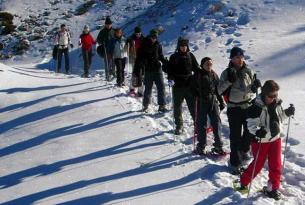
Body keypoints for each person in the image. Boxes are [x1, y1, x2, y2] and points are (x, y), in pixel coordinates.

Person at [236, 80, 295, 200]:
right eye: (271, 96)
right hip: (261, 140)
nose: (273, 98)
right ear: (264, 93)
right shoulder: (256, 107)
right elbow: (251, 124)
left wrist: (287, 113)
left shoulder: (277, 103)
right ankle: (243, 181)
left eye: (275, 95)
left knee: (276, 164)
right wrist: (257, 131)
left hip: (275, 139)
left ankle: (273, 188)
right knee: (258, 164)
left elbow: (279, 119)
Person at [217, 47, 262, 174]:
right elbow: (219, 90)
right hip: (234, 108)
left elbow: (251, 88)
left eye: (241, 57)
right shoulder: (226, 73)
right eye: (237, 57)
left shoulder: (248, 71)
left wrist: (255, 86)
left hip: (247, 106)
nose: (240, 59)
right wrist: (229, 82)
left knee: (250, 132)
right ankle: (235, 162)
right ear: (232, 58)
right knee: (235, 136)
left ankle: (243, 150)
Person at [194, 57, 226, 155]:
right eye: (207, 64)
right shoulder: (198, 75)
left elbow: (218, 90)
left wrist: (221, 101)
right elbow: (191, 88)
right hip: (201, 101)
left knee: (216, 123)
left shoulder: (214, 74)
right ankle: (201, 146)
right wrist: (196, 95)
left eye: (210, 64)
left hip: (213, 101)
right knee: (202, 124)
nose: (209, 66)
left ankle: (218, 146)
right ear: (202, 65)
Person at [167, 38, 199, 135]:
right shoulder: (174, 57)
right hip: (177, 86)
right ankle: (179, 125)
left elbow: (196, 68)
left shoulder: (190, 56)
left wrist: (199, 77)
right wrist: (170, 78)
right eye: (181, 46)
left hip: (189, 85)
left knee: (193, 107)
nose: (183, 48)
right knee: (177, 107)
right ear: (178, 47)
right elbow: (170, 70)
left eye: (185, 46)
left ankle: (197, 125)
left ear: (187, 47)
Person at [134, 29, 168, 112]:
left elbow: (160, 56)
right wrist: (138, 69)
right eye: (152, 37)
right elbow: (139, 58)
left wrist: (166, 62)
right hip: (148, 69)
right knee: (148, 88)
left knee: (161, 87)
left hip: (157, 69)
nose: (154, 38)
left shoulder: (158, 45)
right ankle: (145, 106)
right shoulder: (144, 44)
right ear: (149, 36)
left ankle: (162, 105)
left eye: (155, 37)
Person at [127, 26, 145, 97]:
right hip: (134, 58)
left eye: (139, 33)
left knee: (142, 75)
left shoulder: (143, 39)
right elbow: (127, 46)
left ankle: (140, 91)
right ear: (135, 33)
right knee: (134, 74)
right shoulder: (131, 39)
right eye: (137, 33)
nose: (138, 35)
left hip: (142, 59)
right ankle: (132, 89)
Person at [96, 16, 115, 81]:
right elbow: (98, 40)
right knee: (107, 62)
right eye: (107, 24)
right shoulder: (102, 31)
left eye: (109, 24)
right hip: (105, 49)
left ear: (111, 24)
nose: (108, 25)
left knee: (113, 62)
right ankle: (107, 76)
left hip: (113, 49)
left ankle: (113, 73)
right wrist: (102, 41)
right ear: (105, 25)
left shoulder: (114, 31)